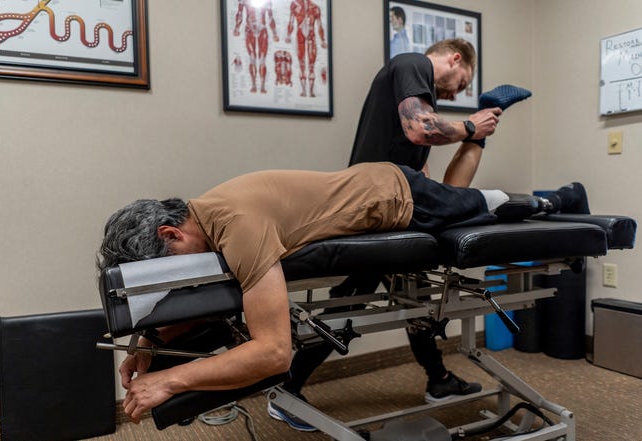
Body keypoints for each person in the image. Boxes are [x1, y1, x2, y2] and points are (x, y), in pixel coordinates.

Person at [97, 162, 588, 425]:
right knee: (478, 204)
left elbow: (272, 352)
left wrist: (170, 379)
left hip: (398, 194)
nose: (178, 281)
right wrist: (148, 347)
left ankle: (559, 198)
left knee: (481, 204)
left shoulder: (239, 228)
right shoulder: (206, 216)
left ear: (169, 234)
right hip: (368, 188)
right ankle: (546, 199)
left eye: (167, 271)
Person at [267, 38, 532, 431]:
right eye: (463, 80)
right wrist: (472, 125)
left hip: (392, 208)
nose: (458, 90)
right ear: (455, 58)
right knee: (350, 303)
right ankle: (286, 390)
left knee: (416, 295)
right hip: (375, 206)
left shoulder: (416, 113)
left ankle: (439, 380)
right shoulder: (412, 64)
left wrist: (473, 137)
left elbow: (438, 180)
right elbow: (421, 128)